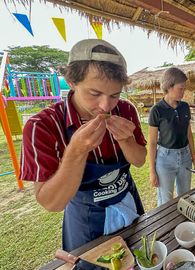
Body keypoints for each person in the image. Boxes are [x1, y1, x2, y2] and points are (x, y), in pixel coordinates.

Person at [20, 39, 147, 251]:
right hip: (85, 218)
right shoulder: (42, 126)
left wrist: (126, 140)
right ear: (71, 81)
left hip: (128, 200)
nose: (106, 106)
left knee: (140, 254)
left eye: (114, 95)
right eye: (95, 93)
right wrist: (76, 151)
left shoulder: (126, 110)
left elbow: (140, 160)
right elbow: (52, 203)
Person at [148, 67, 195, 206]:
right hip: (165, 159)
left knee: (185, 196)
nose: (183, 92)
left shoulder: (184, 107)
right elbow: (152, 143)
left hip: (185, 156)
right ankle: (166, 227)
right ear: (169, 86)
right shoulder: (157, 110)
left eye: (184, 88)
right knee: (166, 201)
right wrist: (152, 171)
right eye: (181, 88)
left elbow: (188, 133)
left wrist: (194, 158)